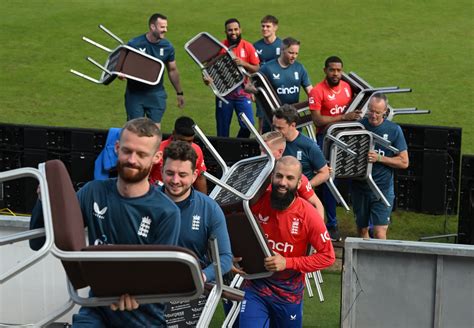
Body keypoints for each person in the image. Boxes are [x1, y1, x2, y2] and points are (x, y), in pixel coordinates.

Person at [30, 118, 181, 327]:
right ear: (117, 148)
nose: (132, 160)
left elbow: (160, 278)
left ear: (156, 158)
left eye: (141, 154)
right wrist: (42, 202)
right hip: (96, 308)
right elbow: (39, 242)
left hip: (143, 318)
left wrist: (136, 293)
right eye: (127, 151)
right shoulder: (93, 192)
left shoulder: (166, 212)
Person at [238, 156, 335, 327]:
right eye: (279, 176)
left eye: (290, 178)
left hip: (289, 294)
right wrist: (231, 255)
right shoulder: (256, 203)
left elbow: (328, 257)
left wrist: (287, 262)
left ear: (299, 184)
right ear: (272, 177)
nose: (282, 182)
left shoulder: (309, 215)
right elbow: (232, 228)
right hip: (256, 287)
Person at [161, 140, 232, 282]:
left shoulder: (209, 209)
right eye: (170, 173)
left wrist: (201, 276)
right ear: (162, 171)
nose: (175, 180)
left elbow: (225, 258)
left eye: (182, 175)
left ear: (194, 176)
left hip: (190, 287)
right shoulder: (144, 203)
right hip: (150, 287)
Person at [308, 56, 360, 241]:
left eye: (339, 70)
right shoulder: (317, 91)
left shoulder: (347, 87)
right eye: (332, 70)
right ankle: (331, 223)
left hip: (348, 136)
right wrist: (344, 117)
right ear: (325, 71)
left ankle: (362, 221)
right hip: (327, 139)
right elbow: (318, 120)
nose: (336, 74)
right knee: (329, 179)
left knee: (357, 173)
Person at [351, 94, 409, 239]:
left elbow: (404, 162)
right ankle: (364, 261)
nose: (373, 115)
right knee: (362, 230)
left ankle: (381, 261)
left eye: (377, 112)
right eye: (371, 110)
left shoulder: (394, 130)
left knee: (379, 233)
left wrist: (380, 158)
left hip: (382, 189)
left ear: (385, 112)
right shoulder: (358, 127)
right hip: (360, 188)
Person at [125, 13, 184, 127]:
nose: (165, 30)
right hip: (135, 94)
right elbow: (124, 66)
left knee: (155, 130)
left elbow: (172, 70)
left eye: (166, 27)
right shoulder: (134, 44)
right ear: (152, 27)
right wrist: (122, 74)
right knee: (135, 129)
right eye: (162, 27)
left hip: (156, 94)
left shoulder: (168, 47)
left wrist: (179, 92)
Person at [204, 18, 260, 138]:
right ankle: (223, 155)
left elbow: (256, 68)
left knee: (248, 125)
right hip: (224, 94)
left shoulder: (248, 46)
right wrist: (206, 80)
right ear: (225, 32)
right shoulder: (219, 47)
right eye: (230, 30)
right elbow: (207, 68)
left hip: (243, 93)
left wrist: (243, 63)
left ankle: (236, 147)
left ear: (240, 30)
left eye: (236, 29)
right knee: (222, 130)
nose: (233, 32)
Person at [255, 37, 312, 134]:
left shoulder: (299, 68)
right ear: (282, 50)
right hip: (272, 120)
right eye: (291, 53)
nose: (294, 56)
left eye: (296, 53)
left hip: (292, 119)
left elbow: (310, 91)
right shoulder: (267, 68)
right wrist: (252, 90)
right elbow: (250, 85)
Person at [262, 131, 324, 218]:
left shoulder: (294, 178)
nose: (261, 155)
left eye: (265, 151)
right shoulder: (256, 174)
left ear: (280, 152)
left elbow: (317, 204)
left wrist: (319, 227)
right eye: (260, 150)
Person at [272, 104, 330, 190]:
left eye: (280, 128)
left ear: (293, 125)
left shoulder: (308, 145)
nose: (276, 131)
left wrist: (305, 187)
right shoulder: (271, 142)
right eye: (274, 127)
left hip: (299, 195)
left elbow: (325, 173)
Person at [149, 116, 207, 193]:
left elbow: (200, 178)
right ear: (173, 134)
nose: (185, 145)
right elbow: (144, 176)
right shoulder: (157, 150)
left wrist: (203, 203)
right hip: (158, 196)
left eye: (190, 141)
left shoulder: (196, 150)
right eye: (182, 140)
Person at [253, 15, 282, 133]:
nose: (264, 29)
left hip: (277, 87)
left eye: (268, 26)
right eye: (263, 26)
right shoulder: (256, 46)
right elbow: (253, 70)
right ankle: (262, 145)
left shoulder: (282, 45)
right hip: (261, 88)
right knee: (262, 120)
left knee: (279, 118)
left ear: (275, 28)